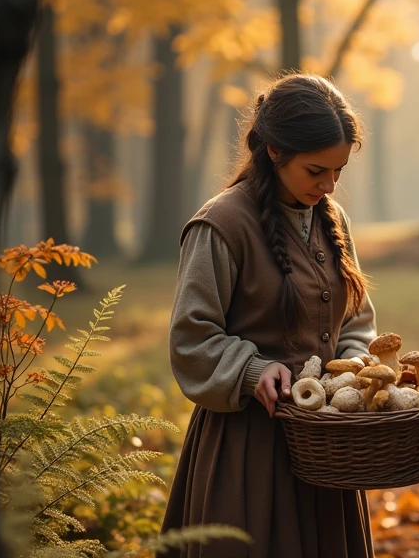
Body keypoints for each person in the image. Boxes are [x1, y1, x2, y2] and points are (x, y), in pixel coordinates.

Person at [160, 73, 377, 558]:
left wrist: (354, 368)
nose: (329, 185)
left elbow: (355, 320)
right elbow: (191, 338)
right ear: (275, 151)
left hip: (328, 448)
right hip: (248, 452)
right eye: (316, 170)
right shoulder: (220, 225)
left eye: (338, 171)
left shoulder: (332, 219)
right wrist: (253, 370)